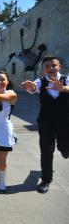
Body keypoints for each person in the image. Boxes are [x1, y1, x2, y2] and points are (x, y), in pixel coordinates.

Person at [21, 56, 69, 193]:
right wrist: (30, 87)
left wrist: (63, 88)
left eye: (53, 65)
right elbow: (33, 88)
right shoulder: (40, 81)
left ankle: (65, 148)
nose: (50, 68)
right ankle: (46, 179)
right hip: (45, 121)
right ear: (43, 69)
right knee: (46, 150)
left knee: (64, 145)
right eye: (47, 66)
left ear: (59, 66)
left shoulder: (66, 79)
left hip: (64, 120)